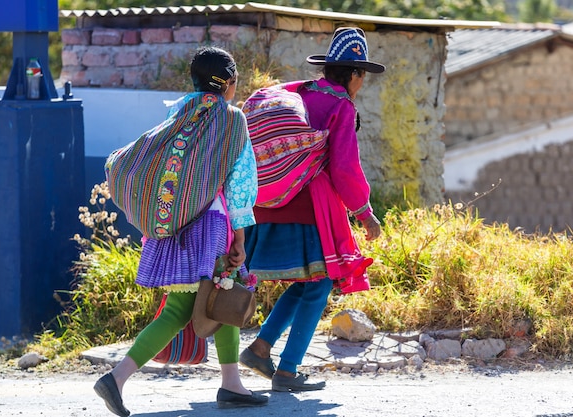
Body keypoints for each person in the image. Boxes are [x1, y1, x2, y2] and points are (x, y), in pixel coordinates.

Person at [93, 46, 267, 416]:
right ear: (231, 83)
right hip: (210, 225)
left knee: (215, 301)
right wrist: (239, 235)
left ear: (194, 81)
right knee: (197, 304)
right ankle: (117, 377)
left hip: (175, 226)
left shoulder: (179, 113)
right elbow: (239, 182)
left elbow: (136, 156)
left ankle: (231, 383)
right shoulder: (232, 119)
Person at [240, 27, 384, 392]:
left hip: (269, 201)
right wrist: (364, 213)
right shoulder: (341, 106)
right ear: (354, 74)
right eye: (361, 75)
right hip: (308, 208)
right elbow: (344, 168)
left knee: (309, 284)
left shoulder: (298, 92)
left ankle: (260, 348)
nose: (361, 82)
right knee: (319, 284)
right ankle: (287, 371)